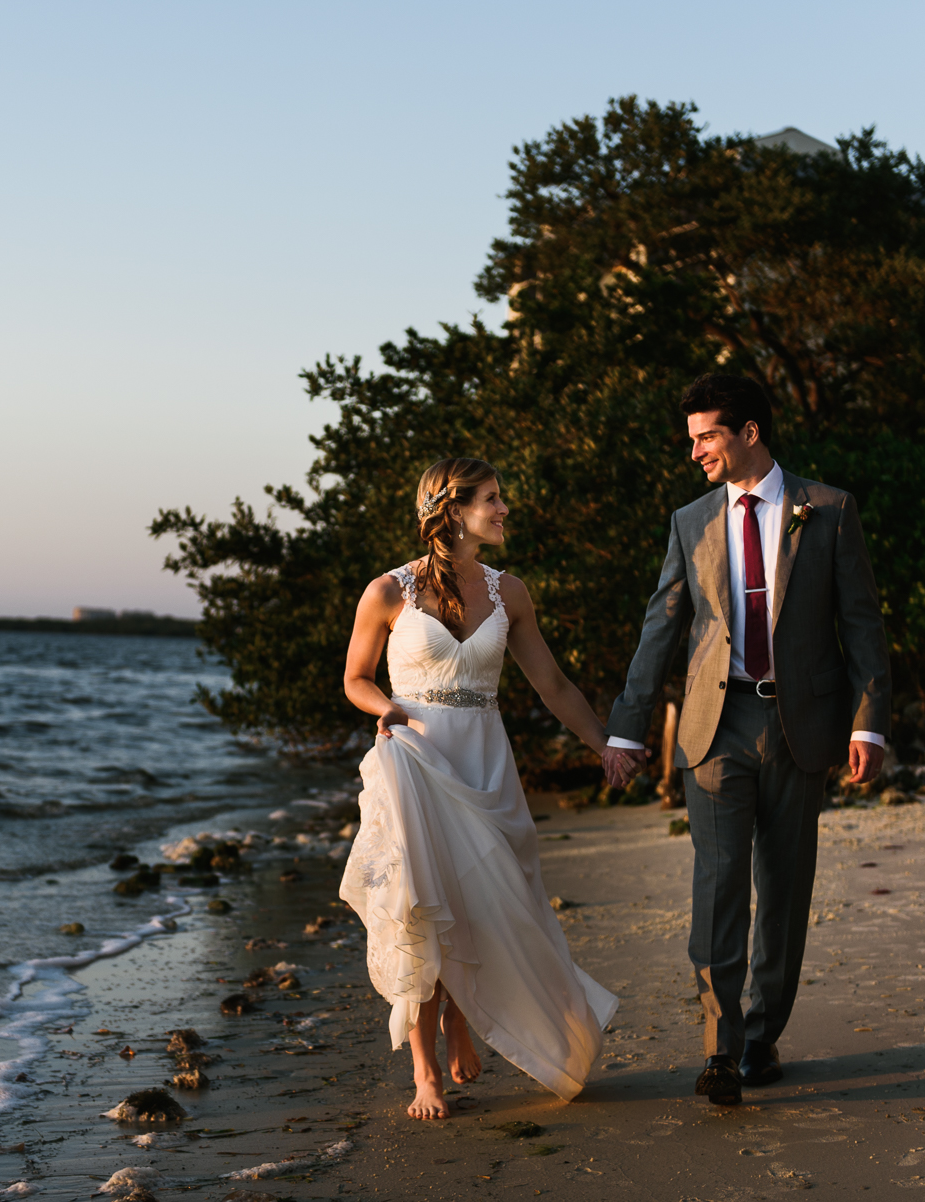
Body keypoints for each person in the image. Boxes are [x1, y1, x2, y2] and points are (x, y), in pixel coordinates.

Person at [601, 374, 890, 1106]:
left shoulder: (827, 510)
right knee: (718, 885)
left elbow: (861, 624)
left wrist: (869, 720)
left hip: (802, 725)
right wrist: (628, 731)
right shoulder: (689, 521)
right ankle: (720, 1050)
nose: (693, 449)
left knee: (785, 890)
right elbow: (660, 627)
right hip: (714, 727)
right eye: (692, 436)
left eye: (706, 436)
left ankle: (762, 1035)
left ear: (749, 433)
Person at [339, 457, 619, 1121]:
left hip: (486, 765)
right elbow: (354, 678)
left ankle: (463, 1015)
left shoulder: (509, 592)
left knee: (497, 903)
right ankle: (424, 1070)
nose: (503, 510)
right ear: (452, 509)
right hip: (415, 758)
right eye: (492, 500)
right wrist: (383, 709)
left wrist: (603, 745)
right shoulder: (387, 592)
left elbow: (552, 686)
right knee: (422, 902)